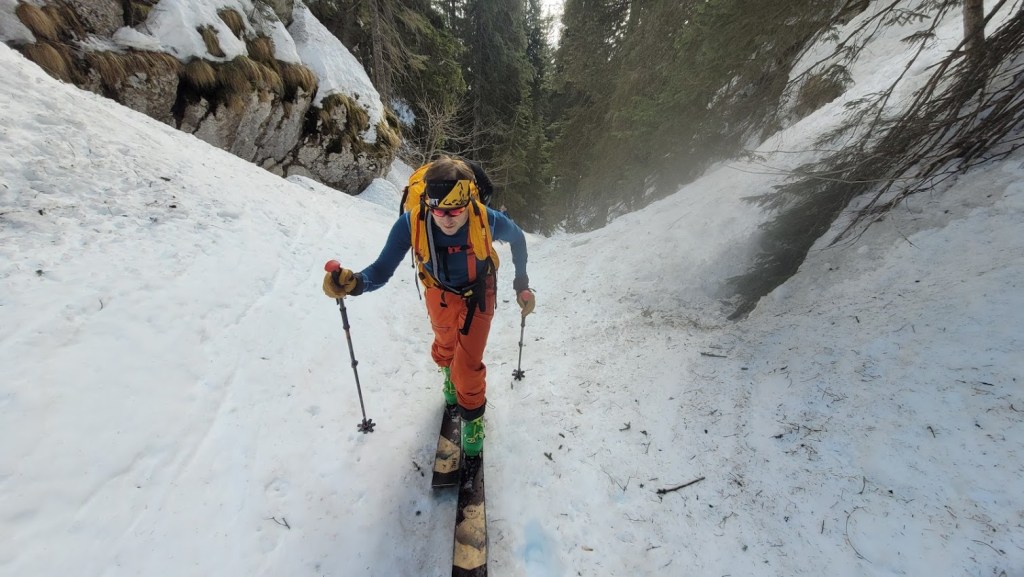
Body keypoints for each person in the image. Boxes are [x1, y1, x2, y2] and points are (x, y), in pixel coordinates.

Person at [322, 156, 534, 458]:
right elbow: (381, 270)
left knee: (467, 365)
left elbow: (518, 239)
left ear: (468, 201)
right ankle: (449, 376)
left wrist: (521, 282)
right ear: (427, 203)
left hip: (479, 294)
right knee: (445, 345)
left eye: (456, 210)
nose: (447, 219)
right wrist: (354, 283)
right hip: (438, 292)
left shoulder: (486, 219)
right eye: (438, 210)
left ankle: (473, 421)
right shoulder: (412, 222)